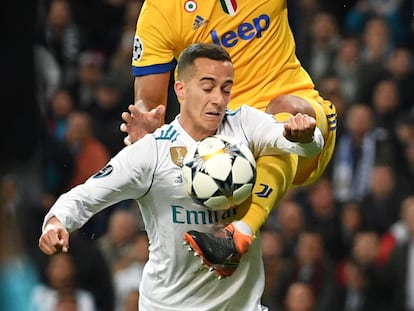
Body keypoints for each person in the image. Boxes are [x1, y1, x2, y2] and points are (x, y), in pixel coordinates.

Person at [39, 43, 324, 310]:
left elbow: (306, 143)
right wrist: (55, 223)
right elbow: (86, 195)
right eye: (207, 87)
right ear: (181, 89)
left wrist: (305, 133)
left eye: (226, 89)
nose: (218, 99)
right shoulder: (153, 151)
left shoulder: (245, 124)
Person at [121, 0, 337, 277]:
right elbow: (149, 102)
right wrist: (149, 125)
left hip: (304, 119)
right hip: (227, 139)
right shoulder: (162, 10)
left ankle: (240, 234)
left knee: (286, 110)